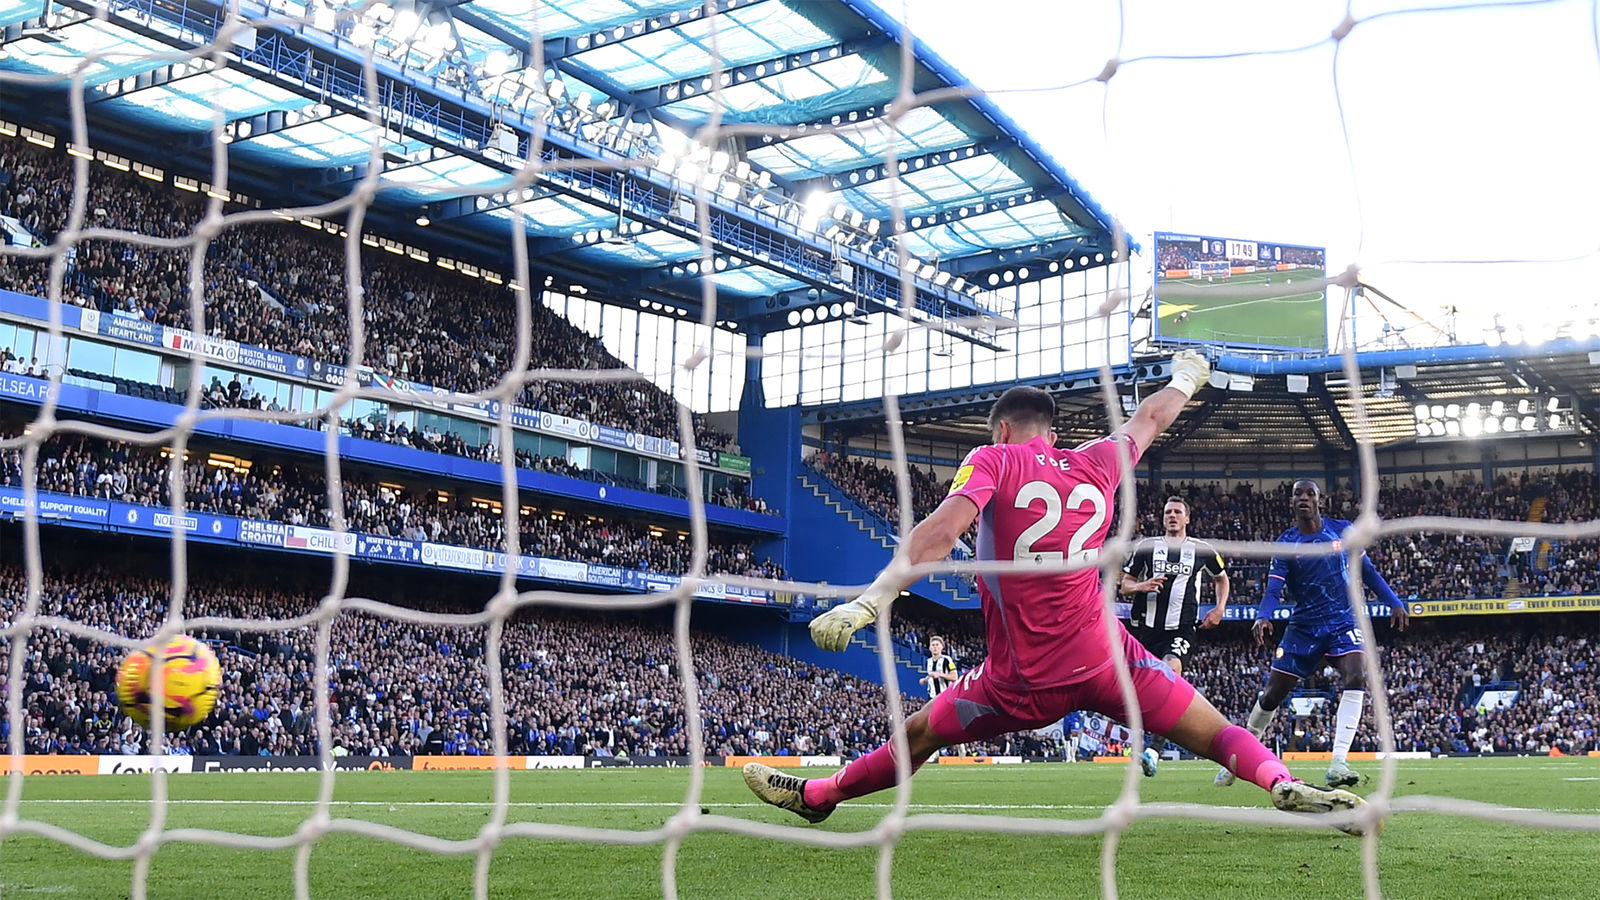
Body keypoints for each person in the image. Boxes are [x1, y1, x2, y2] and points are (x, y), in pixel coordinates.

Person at [744, 352, 1372, 834]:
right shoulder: (1098, 462)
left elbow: (941, 530)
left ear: (1001, 427)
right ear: (1052, 431)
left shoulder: (993, 460)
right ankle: (1278, 780)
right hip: (1110, 662)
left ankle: (820, 797)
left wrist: (872, 599)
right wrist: (1186, 376)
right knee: (1212, 731)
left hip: (1018, 682)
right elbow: (1151, 417)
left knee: (918, 736)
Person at [1214, 479, 1408, 790]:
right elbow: (1274, 588)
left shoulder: (1342, 531)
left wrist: (1394, 602)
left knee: (1356, 675)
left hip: (1343, 621)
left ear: (1320, 500)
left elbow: (1367, 571)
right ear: (1291, 502)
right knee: (1272, 695)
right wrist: (1263, 616)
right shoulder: (1286, 544)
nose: (1303, 498)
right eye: (1297, 494)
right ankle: (1238, 757)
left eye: (1310, 493)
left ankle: (1338, 762)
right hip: (1304, 628)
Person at [1119, 495, 1231, 776]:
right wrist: (1142, 586)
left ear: (1187, 518)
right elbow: (1124, 586)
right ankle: (1147, 739)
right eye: (1168, 511)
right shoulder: (1145, 548)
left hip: (1181, 629)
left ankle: (1153, 750)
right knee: (1144, 690)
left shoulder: (1203, 550)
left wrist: (1219, 608)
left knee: (1170, 673)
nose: (1172, 516)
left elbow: (1222, 578)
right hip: (1145, 630)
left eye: (1177, 512)